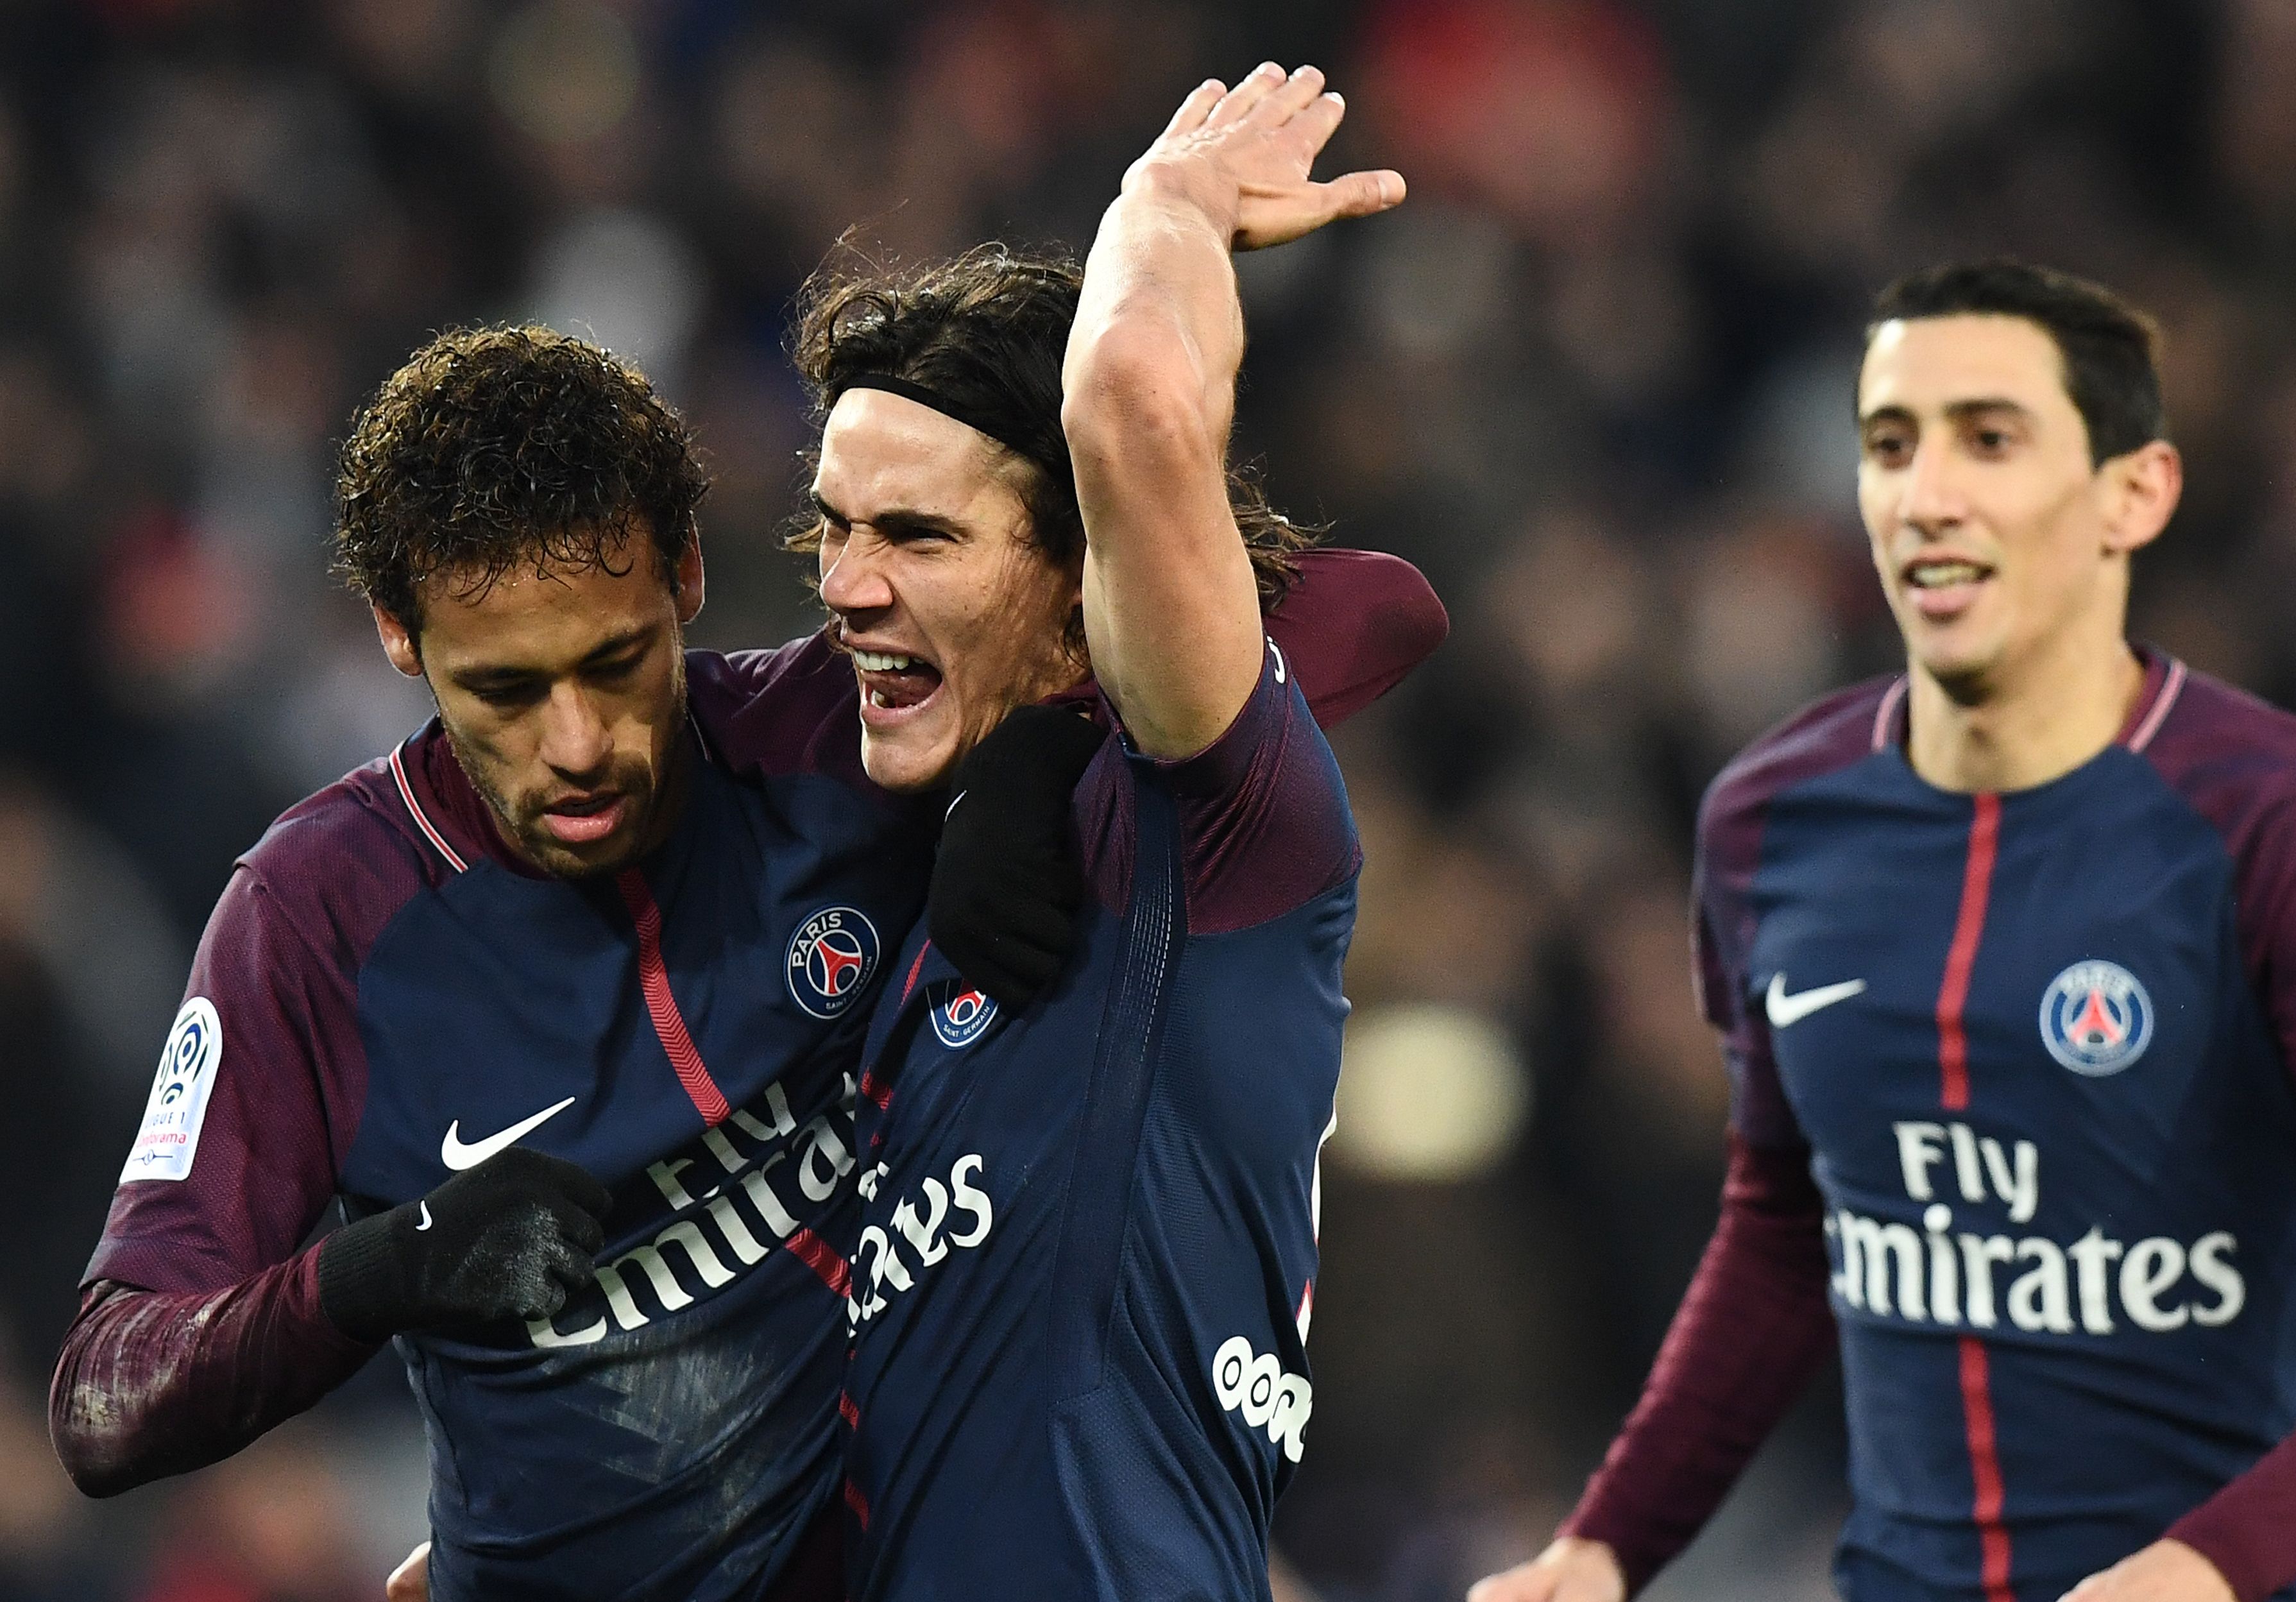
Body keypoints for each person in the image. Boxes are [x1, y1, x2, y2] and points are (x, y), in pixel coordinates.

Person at [50, 323, 1438, 1601]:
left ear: (688, 577)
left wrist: (1041, 733)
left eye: (616, 659)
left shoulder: (832, 741)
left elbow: (1372, 610)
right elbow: (108, 1396)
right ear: (398, 638)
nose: (581, 742)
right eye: (507, 691)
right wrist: (372, 1273)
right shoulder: (316, 920)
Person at [1470, 260, 2296, 1602]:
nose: (1926, 495)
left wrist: (2206, 1566)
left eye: (1989, 439)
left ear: (2131, 493)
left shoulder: (2291, 823)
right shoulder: (1766, 818)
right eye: (1887, 446)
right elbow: (1789, 1225)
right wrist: (1609, 1538)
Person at [797, 65, 1417, 1599]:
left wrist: (1170, 207)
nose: (845, 583)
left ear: (1089, 578)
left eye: (919, 534)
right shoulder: (903, 925)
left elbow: (1145, 408)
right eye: (833, 525)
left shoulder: (1204, 838)